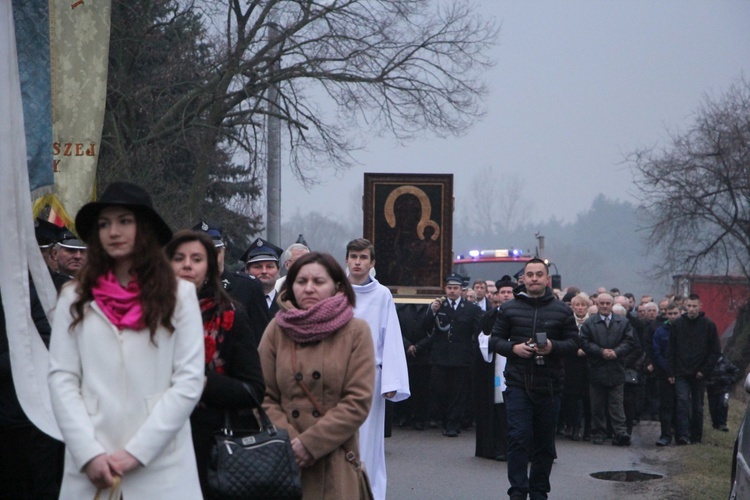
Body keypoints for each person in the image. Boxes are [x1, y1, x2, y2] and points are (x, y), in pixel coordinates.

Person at [48, 182, 205, 499]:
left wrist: (137, 452)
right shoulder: (73, 297)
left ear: (144, 228)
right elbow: (62, 378)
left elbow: (188, 381)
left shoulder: (180, 295)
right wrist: (88, 452)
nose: (112, 232)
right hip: (90, 463)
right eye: (104, 224)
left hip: (162, 465)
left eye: (124, 221)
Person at [258, 252, 375, 498]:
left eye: (318, 282)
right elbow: (262, 395)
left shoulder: (356, 331)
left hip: (335, 460)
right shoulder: (277, 330)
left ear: (336, 286)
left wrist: (311, 444)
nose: (309, 289)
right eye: (301, 282)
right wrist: (291, 443)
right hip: (284, 460)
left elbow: (358, 400)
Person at [166, 230, 265, 497]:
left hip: (214, 448)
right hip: (159, 445)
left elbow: (253, 390)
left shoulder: (230, 315)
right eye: (179, 258)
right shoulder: (148, 314)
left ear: (210, 266)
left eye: (197, 258)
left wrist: (201, 382)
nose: (187, 264)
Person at [489, 258, 579, 500]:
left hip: (550, 386)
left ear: (547, 279)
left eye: (539, 274)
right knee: (518, 438)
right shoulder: (509, 308)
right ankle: (518, 491)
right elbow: (495, 340)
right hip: (518, 384)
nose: (534, 278)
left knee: (544, 444)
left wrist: (552, 347)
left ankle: (539, 491)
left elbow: (574, 343)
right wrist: (514, 349)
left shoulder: (562, 310)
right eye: (530, 275)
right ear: (524, 279)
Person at [345, 238, 410, 500]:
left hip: (369, 375)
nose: (357, 262)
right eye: (353, 256)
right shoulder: (337, 292)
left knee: (368, 440)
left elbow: (390, 338)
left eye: (363, 257)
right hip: (338, 374)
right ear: (347, 260)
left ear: (372, 263)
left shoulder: (382, 295)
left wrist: (392, 382)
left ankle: (367, 491)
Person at [413, 273, 482, 438]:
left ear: (461, 290)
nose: (452, 291)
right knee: (440, 391)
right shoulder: (439, 306)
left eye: (455, 288)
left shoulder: (471, 308)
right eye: (450, 288)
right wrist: (432, 311)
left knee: (458, 393)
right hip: (440, 357)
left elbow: (478, 332)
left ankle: (453, 424)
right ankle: (444, 420)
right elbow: (424, 327)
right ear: (445, 289)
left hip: (461, 358)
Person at [193, 221, 269, 344]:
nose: (212, 257)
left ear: (224, 251)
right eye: (205, 252)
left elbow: (262, 340)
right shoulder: (185, 290)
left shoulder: (247, 287)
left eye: (216, 251)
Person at [581, 293, 636, 446]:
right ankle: (598, 433)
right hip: (596, 369)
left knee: (617, 404)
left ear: (612, 305)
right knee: (597, 405)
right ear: (597, 304)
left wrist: (616, 352)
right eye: (602, 303)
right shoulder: (589, 323)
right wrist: (601, 352)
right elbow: (584, 342)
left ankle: (620, 433)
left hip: (616, 368)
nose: (604, 306)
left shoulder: (623, 322)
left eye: (607, 303)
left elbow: (629, 341)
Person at [668, 294, 721, 445]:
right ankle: (682, 436)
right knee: (682, 403)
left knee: (697, 406)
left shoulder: (708, 325)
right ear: (685, 306)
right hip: (681, 372)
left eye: (694, 306)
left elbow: (715, 351)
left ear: (700, 306)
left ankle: (696, 436)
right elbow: (671, 349)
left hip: (699, 373)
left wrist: (704, 370)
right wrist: (671, 371)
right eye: (689, 306)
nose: (691, 309)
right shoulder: (677, 324)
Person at [474, 276, 514, 461]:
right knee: (498, 407)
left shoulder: (524, 313)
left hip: (517, 365)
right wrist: (492, 342)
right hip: (497, 367)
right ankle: (497, 447)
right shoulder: (489, 316)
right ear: (498, 295)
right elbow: (481, 339)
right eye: (503, 292)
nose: (506, 295)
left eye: (509, 292)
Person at [242, 237, 283, 316]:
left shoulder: (287, 305)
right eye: (257, 267)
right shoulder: (237, 303)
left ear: (278, 270)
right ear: (246, 270)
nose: (264, 271)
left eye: (269, 266)